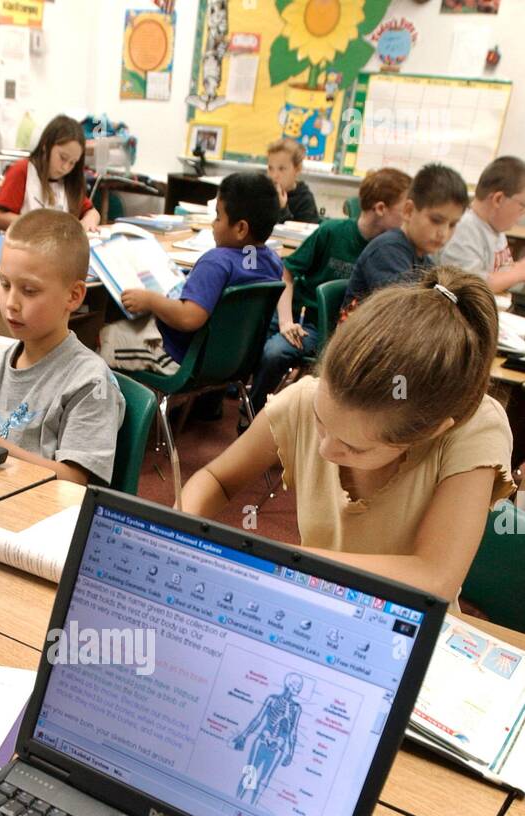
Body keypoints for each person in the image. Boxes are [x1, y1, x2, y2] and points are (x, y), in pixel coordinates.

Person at [181, 267, 515, 605]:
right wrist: (181, 529)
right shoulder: (306, 397)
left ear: (428, 431)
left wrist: (282, 562)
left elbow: (433, 578)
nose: (325, 449)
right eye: (320, 422)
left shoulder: (475, 428)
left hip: (407, 625)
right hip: (314, 601)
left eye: (354, 447)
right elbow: (216, 479)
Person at [0, 209, 124, 485]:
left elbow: (73, 481)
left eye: (29, 291)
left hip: (46, 518)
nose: (11, 303)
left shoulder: (90, 382)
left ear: (73, 296)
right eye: (5, 284)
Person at [249, 167, 411, 416]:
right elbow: (286, 273)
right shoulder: (332, 232)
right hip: (309, 324)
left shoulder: (395, 250)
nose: (408, 219)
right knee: (274, 352)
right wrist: (286, 322)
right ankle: (251, 414)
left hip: (353, 335)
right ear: (380, 208)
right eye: (404, 211)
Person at [98, 171, 284, 377]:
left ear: (240, 228)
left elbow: (188, 318)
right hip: (234, 359)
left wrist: (150, 300)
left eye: (219, 217)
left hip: (179, 357)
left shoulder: (216, 262)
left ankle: (125, 405)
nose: (213, 224)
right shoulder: (273, 262)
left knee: (103, 337)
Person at [341, 163, 468, 314]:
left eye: (452, 224)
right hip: (363, 336)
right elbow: (406, 315)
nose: (444, 233)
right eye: (436, 220)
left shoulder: (425, 261)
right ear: (408, 211)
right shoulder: (387, 250)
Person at [0, 115, 100, 232]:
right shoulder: (22, 171)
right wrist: (38, 225)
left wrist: (89, 220)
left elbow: (92, 211)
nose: (65, 167)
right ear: (45, 145)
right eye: (63, 158)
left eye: (73, 162)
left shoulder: (70, 180)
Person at [440, 155, 525, 293]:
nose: (523, 213)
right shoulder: (464, 229)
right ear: (498, 199)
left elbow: (502, 272)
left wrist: (517, 271)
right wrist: (518, 272)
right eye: (522, 205)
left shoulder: (495, 228)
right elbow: (469, 286)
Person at [266, 138, 320, 224]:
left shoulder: (305, 200)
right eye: (270, 168)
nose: (273, 175)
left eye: (281, 169)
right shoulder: (263, 193)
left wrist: (282, 209)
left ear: (297, 169)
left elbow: (303, 236)